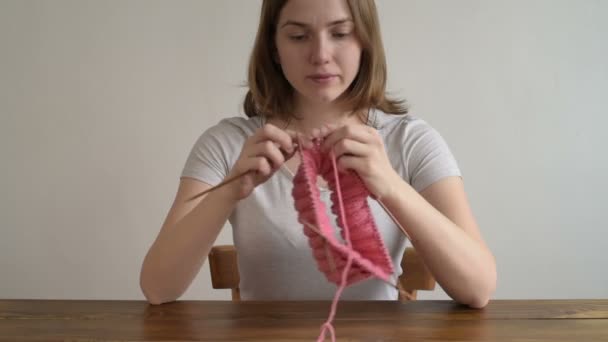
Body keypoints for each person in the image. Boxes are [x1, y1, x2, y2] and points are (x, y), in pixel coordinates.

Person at [140, 0, 496, 308]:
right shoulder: (227, 143)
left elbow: (478, 288)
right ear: (274, 48)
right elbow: (157, 288)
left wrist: (389, 185)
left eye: (340, 33)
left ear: (365, 42)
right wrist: (230, 190)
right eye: (298, 36)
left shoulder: (411, 141)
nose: (320, 55)